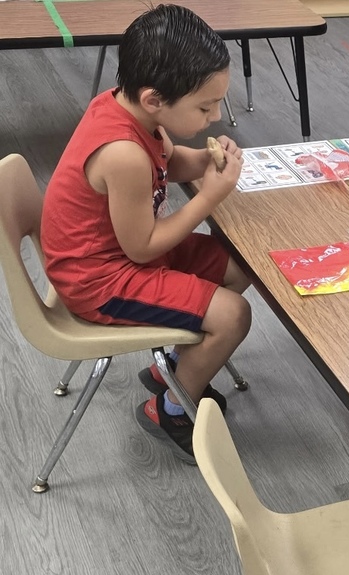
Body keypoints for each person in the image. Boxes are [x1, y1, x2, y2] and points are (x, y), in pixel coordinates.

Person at [41, 4, 251, 462]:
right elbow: (143, 246)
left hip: (121, 256)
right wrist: (209, 197)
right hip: (98, 281)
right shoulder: (122, 153)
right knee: (234, 316)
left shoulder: (128, 107)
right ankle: (172, 410)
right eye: (204, 106)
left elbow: (170, 161)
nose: (215, 117)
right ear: (155, 98)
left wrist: (206, 162)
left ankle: (173, 370)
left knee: (238, 267)